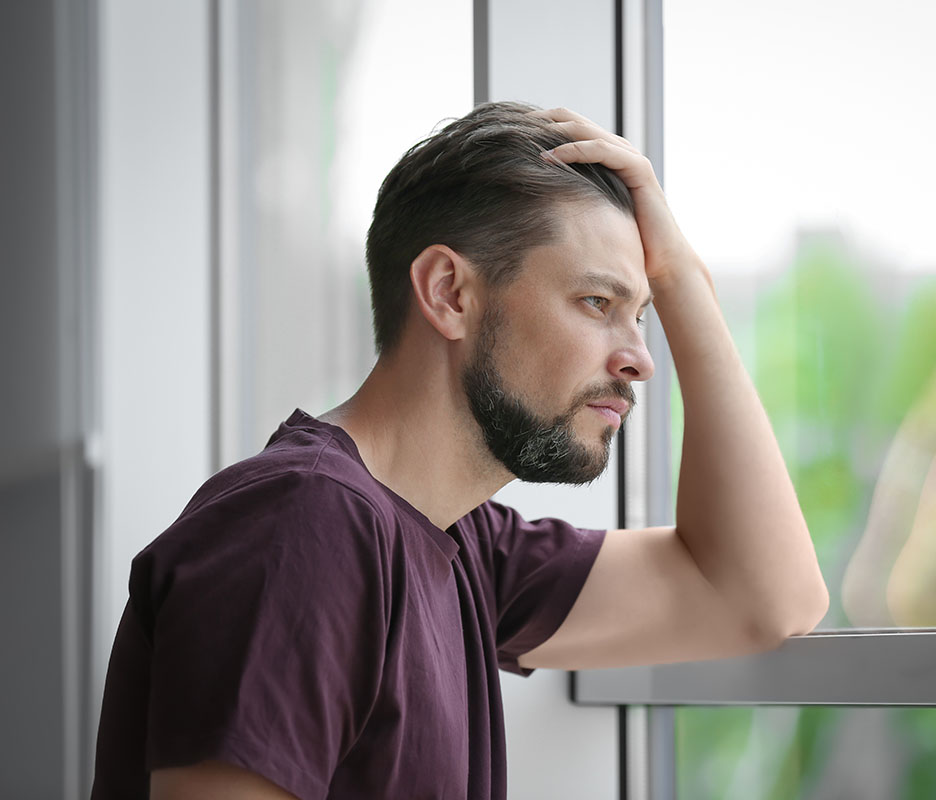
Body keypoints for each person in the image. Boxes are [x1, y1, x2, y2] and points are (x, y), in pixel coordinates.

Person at [90, 102, 828, 800]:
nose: (640, 359)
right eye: (598, 303)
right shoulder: (304, 527)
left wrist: (683, 278)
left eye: (642, 314)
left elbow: (765, 598)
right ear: (448, 292)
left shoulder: (464, 543)